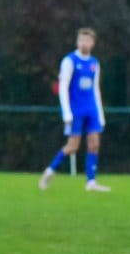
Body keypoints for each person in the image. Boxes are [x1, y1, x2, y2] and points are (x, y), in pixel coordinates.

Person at [39, 27, 110, 192]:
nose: (84, 43)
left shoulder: (94, 63)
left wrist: (100, 114)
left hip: (91, 109)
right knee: (72, 146)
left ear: (93, 43)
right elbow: (63, 87)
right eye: (81, 40)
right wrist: (66, 112)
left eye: (87, 40)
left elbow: (95, 89)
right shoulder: (69, 61)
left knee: (94, 144)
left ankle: (91, 182)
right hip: (76, 110)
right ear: (77, 42)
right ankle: (50, 171)